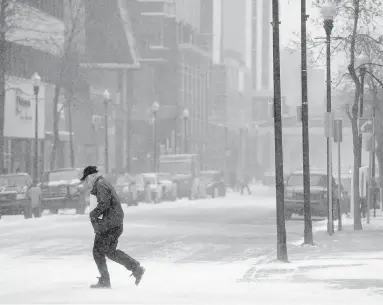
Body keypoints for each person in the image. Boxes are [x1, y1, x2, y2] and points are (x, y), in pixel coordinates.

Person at [80, 165, 145, 289]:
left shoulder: (100, 185)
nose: (86, 182)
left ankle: (106, 279)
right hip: (111, 223)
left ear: (92, 176)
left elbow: (104, 202)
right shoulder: (101, 183)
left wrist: (93, 214)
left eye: (87, 179)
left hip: (109, 225)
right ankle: (135, 268)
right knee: (108, 251)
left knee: (98, 252)